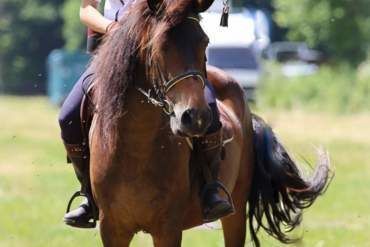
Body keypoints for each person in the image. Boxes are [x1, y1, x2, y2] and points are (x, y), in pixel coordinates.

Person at [59, 0, 233, 228]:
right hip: (116, 50)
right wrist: (112, 28)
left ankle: (210, 189)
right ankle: (89, 195)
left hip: (165, 45)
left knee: (207, 109)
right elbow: (86, 10)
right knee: (68, 116)